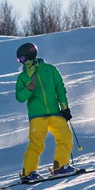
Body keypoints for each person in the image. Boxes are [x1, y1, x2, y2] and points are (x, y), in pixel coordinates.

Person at [15, 42, 76, 182]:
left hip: (55, 112)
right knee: (36, 143)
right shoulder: (23, 77)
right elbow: (19, 97)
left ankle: (60, 166)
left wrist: (65, 108)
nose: (21, 62)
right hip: (37, 115)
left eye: (22, 59)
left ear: (31, 56)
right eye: (19, 60)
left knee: (65, 136)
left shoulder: (50, 70)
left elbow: (60, 89)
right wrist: (28, 90)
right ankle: (28, 172)